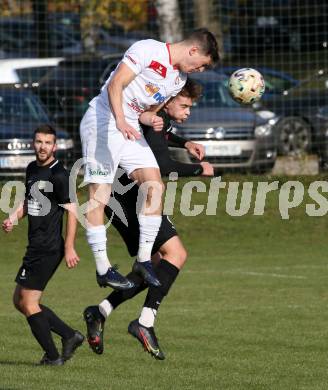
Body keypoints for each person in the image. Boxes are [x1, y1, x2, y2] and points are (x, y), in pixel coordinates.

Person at [83, 79, 214, 360]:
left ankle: (101, 312)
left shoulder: (158, 119)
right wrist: (198, 169)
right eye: (185, 105)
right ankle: (144, 322)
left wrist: (185, 142)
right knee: (174, 255)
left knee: (158, 264)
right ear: (168, 100)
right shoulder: (155, 118)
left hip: (126, 195)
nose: (189, 111)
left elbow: (163, 135)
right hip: (127, 197)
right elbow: (164, 165)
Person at [80, 28, 219, 291]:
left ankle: (144, 259)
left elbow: (146, 112)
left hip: (129, 127)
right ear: (193, 50)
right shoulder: (147, 49)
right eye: (202, 64)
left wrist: (149, 118)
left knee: (154, 184)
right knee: (100, 193)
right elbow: (116, 84)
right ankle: (102, 268)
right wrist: (121, 120)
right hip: (103, 121)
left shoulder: (178, 79)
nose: (200, 70)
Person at [2, 125, 84, 366]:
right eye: (39, 141)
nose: (42, 147)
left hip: (49, 247)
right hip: (35, 245)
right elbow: (30, 202)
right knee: (19, 301)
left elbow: (72, 212)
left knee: (28, 302)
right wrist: (13, 218)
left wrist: (69, 247)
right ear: (33, 143)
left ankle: (52, 356)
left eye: (47, 143)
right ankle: (70, 335)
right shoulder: (32, 169)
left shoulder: (60, 175)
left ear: (54, 146)